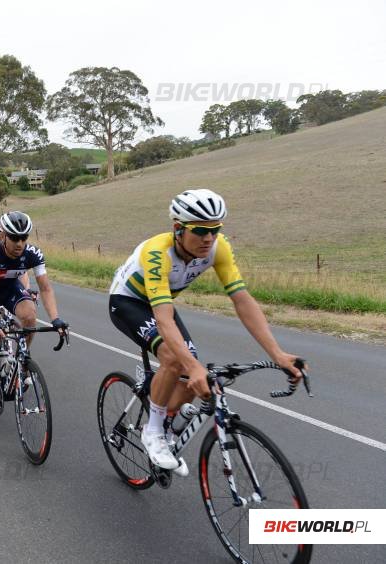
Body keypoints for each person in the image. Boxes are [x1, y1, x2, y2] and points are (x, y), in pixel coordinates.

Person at [109, 189, 306, 475]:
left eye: (215, 230)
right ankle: (152, 432)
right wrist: (190, 364)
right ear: (178, 228)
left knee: (192, 378)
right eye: (200, 230)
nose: (208, 238)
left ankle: (158, 402)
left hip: (161, 300)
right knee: (178, 361)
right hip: (128, 302)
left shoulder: (217, 247)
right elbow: (163, 319)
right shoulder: (157, 252)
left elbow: (242, 299)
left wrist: (278, 354)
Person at [0, 211, 68, 422]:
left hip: (9, 290)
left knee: (30, 317)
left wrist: (55, 319)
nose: (20, 243)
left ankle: (19, 359)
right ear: (4, 235)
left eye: (24, 238)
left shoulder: (33, 253)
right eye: (15, 238)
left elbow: (45, 288)